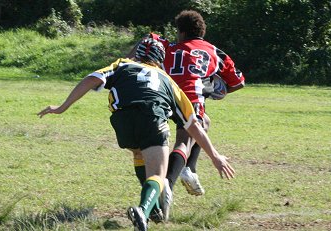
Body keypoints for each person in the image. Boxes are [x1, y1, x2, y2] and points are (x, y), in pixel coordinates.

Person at [38, 38, 235, 231]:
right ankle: (142, 210)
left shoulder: (122, 64)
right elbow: (194, 126)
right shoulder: (169, 81)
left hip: (122, 122)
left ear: (138, 54)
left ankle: (154, 210)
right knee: (158, 174)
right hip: (151, 118)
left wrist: (62, 107)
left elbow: (92, 79)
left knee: (139, 154)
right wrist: (215, 156)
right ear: (161, 60)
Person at [128, 10, 245, 220]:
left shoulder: (169, 47)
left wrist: (129, 59)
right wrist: (213, 88)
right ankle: (168, 184)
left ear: (181, 33)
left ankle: (189, 168)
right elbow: (238, 82)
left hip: (164, 94)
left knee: (204, 123)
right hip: (190, 98)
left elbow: (148, 39)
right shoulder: (215, 52)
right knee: (186, 139)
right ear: (202, 31)